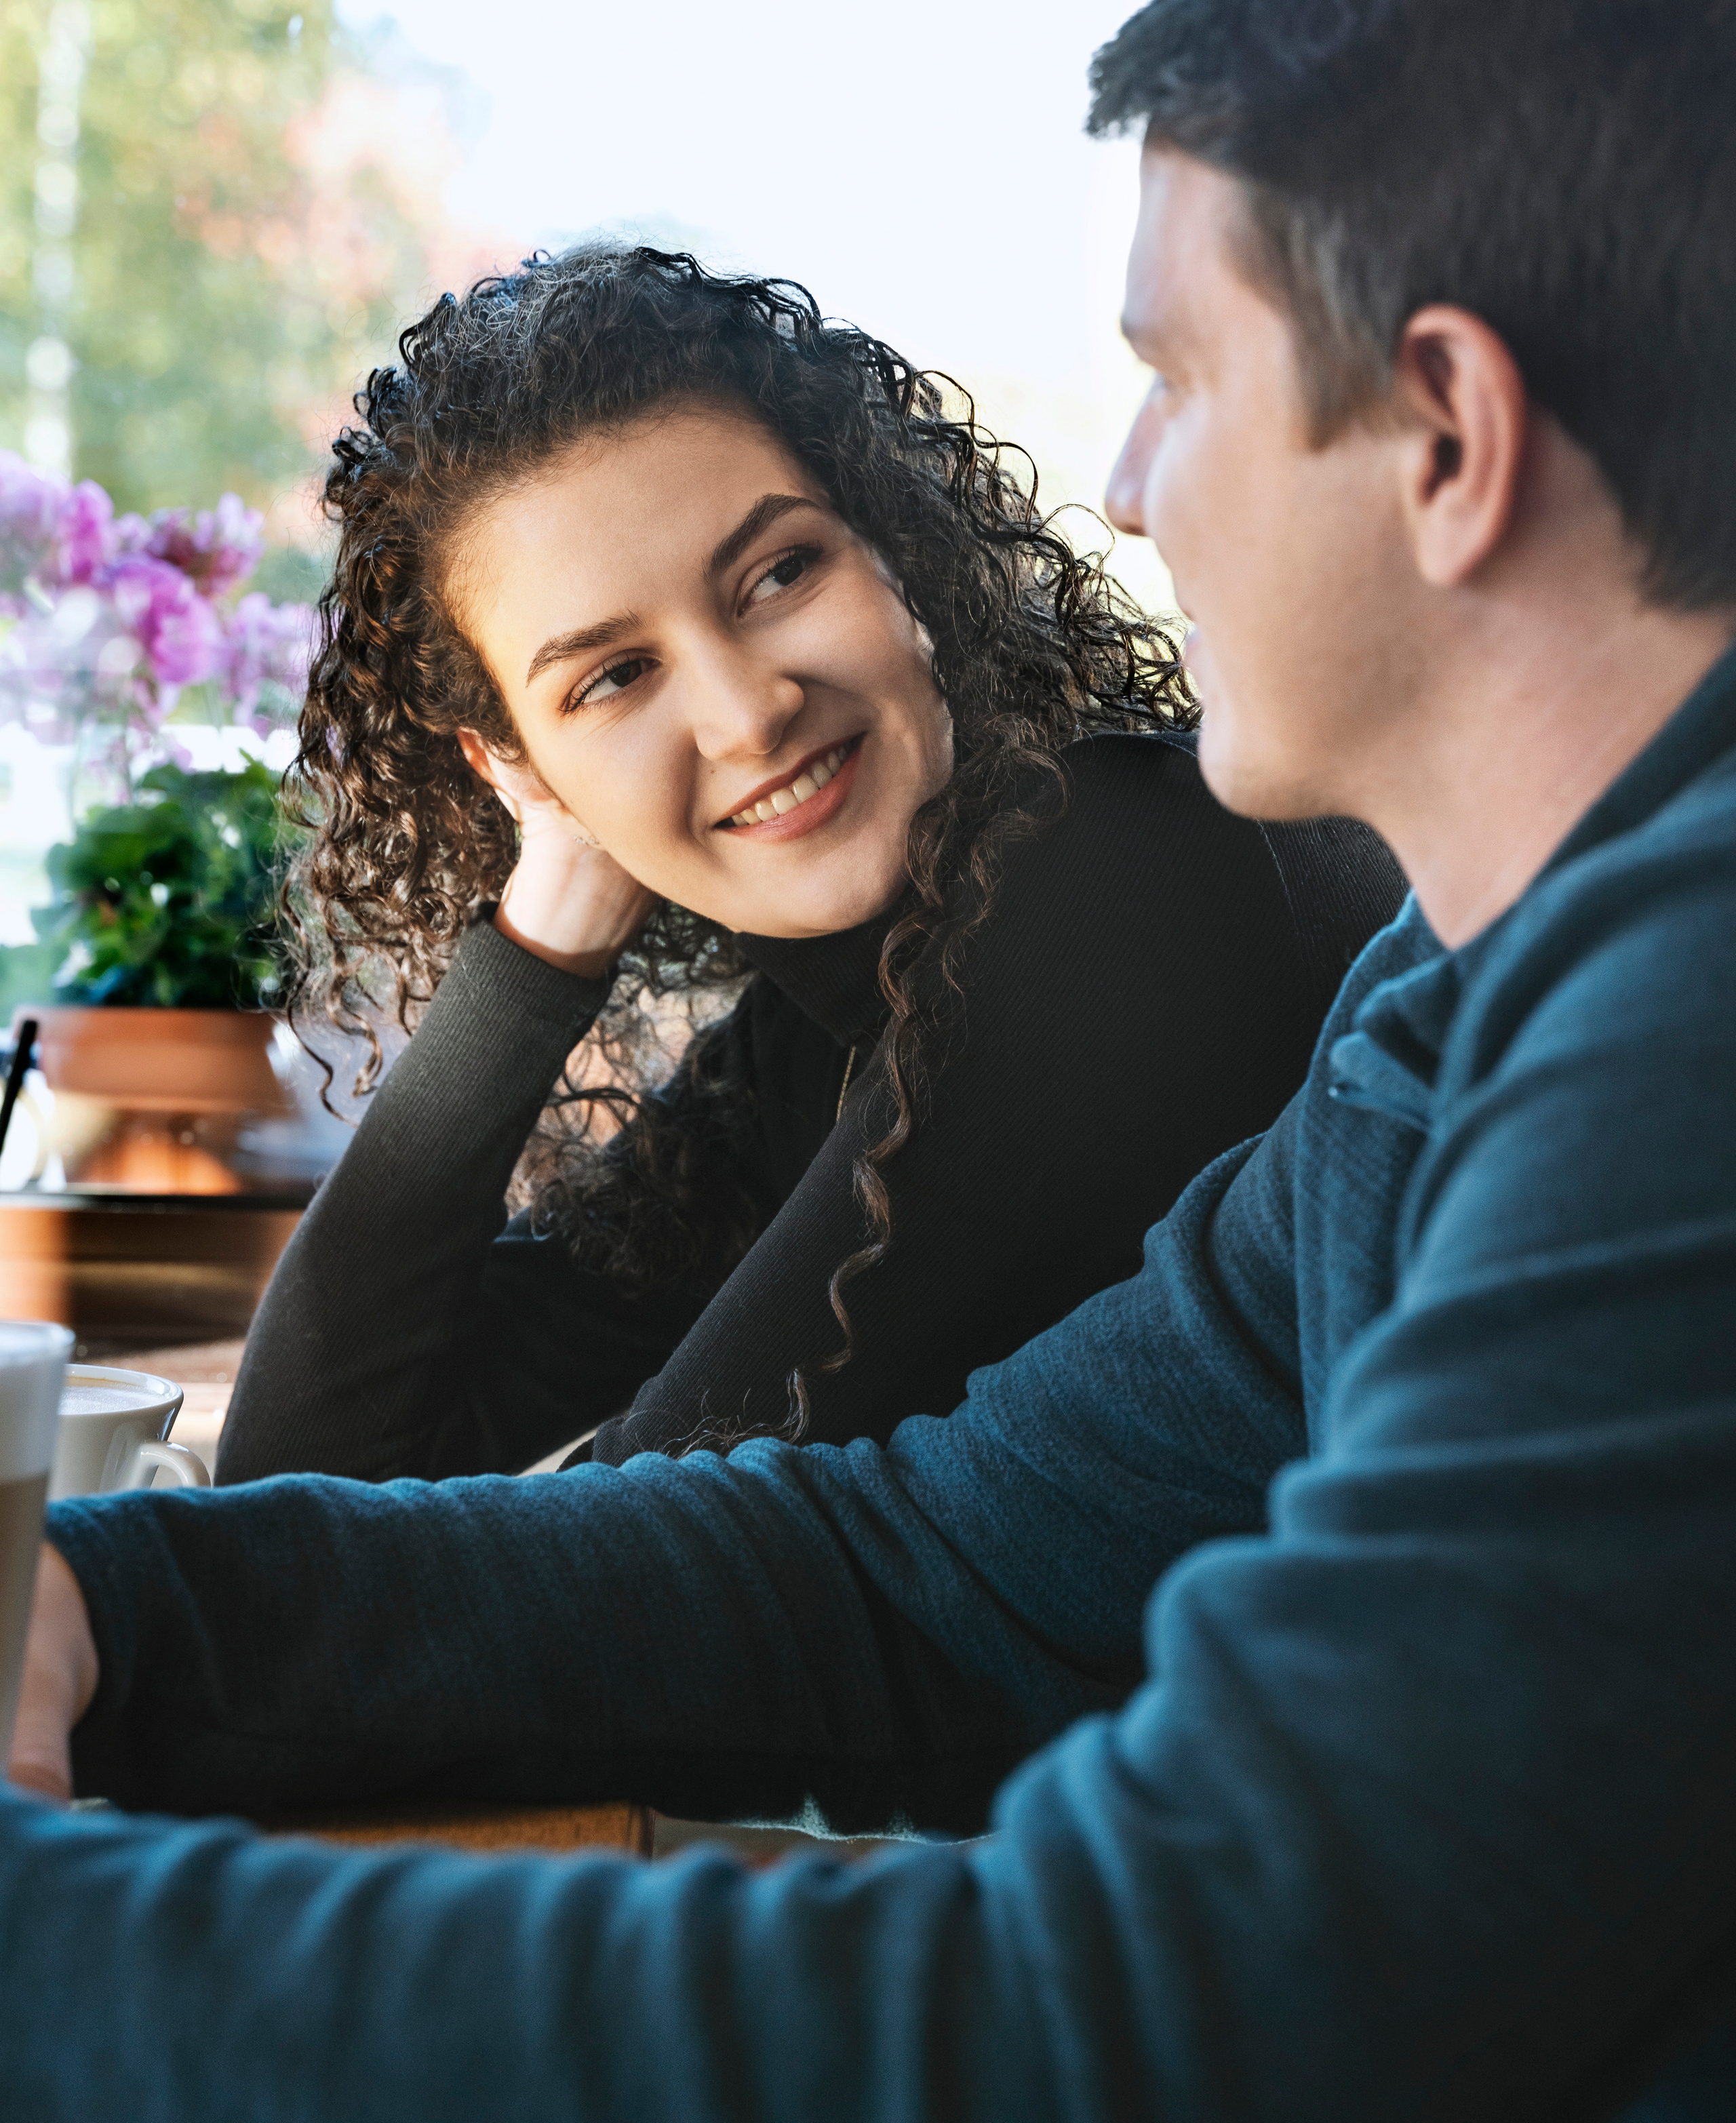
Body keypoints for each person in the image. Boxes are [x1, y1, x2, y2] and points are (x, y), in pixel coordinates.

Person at [7, 0, 1736, 2123]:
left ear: (1451, 432)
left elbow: (1150, 2023)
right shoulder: (1450, 1010)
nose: (1122, 482)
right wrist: (112, 1605)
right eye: (610, 674)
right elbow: (931, 1569)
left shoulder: (1671, 1037)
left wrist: (51, 1952)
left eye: (1177, 381)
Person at [216, 247, 1400, 1485]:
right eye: (614, 677)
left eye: (780, 573)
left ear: (897, 555)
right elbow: (298, 1485)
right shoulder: (833, 1016)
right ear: (514, 768)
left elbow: (614, 1565)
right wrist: (545, 920)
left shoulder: (1127, 891)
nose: (747, 714)